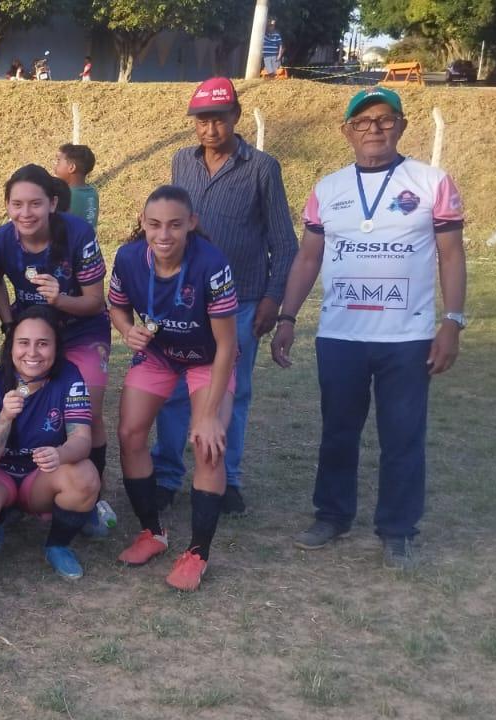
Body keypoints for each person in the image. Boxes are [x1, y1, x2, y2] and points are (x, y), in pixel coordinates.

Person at [272, 87, 467, 570]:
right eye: (362, 122)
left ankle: (398, 529)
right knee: (338, 431)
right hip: (341, 335)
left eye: (384, 119)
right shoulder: (328, 190)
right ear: (347, 131)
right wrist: (287, 317)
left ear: (401, 125)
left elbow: (451, 254)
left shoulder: (431, 182)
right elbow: (309, 257)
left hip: (407, 336)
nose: (374, 129)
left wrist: (452, 322)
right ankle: (332, 515)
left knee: (402, 434)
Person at [154, 77, 296, 516]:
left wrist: (275, 298)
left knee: (234, 391)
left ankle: (227, 479)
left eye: (218, 119)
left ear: (236, 116)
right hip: (186, 298)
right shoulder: (182, 162)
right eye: (201, 120)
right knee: (176, 387)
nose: (210, 129)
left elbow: (284, 241)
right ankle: (165, 476)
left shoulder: (261, 167)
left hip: (243, 299)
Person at [107, 186, 238, 592]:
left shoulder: (211, 263)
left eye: (175, 225)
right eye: (154, 224)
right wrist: (128, 331)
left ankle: (197, 552)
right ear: (143, 223)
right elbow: (116, 305)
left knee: (207, 442)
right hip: (161, 355)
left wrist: (208, 413)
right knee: (129, 433)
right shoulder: (129, 257)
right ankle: (153, 532)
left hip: (208, 358)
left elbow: (228, 345)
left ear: (191, 225)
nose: (163, 235)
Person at [0, 165, 110, 505]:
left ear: (53, 203)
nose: (26, 213)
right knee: (18, 399)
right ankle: (21, 475)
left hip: (81, 327)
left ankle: (93, 497)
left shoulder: (78, 233)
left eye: (35, 204)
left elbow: (96, 302)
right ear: (7, 205)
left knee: (90, 411)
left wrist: (59, 299)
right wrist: (9, 323)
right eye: (17, 204)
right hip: (34, 331)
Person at [0, 308, 103, 578]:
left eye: (43, 343)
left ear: (56, 346)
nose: (32, 353)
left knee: (85, 476)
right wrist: (4, 416)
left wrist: (60, 453)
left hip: (39, 477)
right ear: (11, 345)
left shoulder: (69, 377)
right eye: (23, 343)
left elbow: (82, 440)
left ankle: (58, 545)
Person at [54, 143, 100, 228]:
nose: (55, 166)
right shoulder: (92, 192)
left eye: (58, 161)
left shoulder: (66, 196)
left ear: (71, 168)